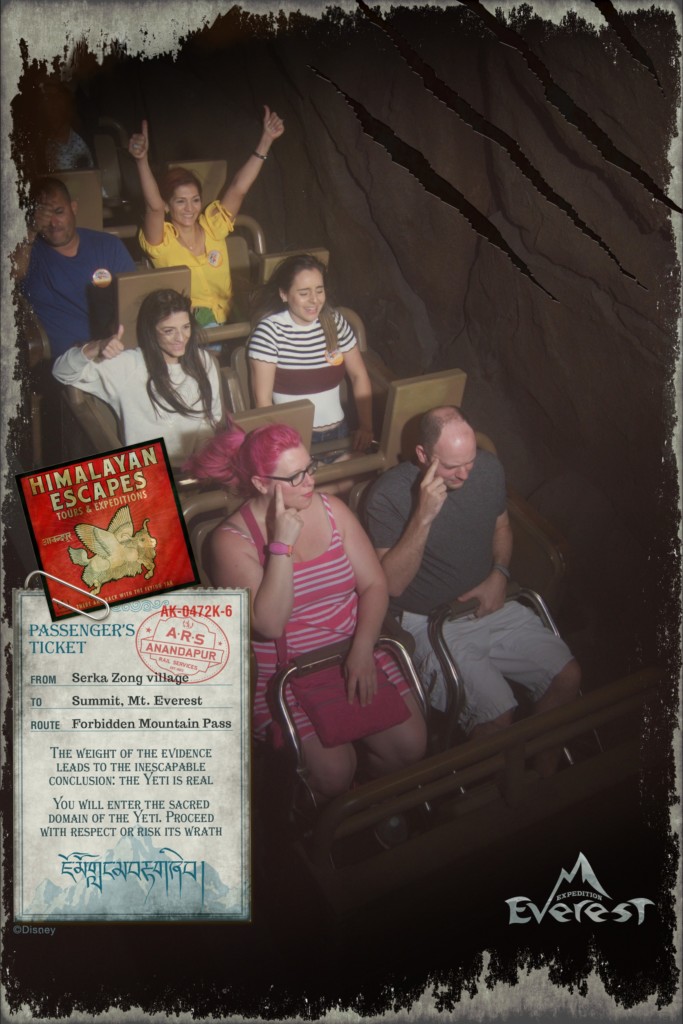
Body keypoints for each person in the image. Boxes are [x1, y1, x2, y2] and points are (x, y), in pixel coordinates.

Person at [185, 422, 426, 803]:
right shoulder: (231, 541)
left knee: (409, 746)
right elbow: (269, 622)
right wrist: (280, 546)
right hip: (286, 670)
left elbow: (374, 585)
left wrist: (362, 649)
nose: (309, 482)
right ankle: (321, 823)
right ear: (262, 483)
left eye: (310, 468)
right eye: (295, 476)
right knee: (333, 772)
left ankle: (366, 803)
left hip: (353, 647)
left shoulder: (333, 511)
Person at [364, 405, 581, 776]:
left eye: (469, 461)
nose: (464, 473)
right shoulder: (387, 496)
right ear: (422, 455)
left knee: (567, 676)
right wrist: (424, 515)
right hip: (430, 621)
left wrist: (499, 573)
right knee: (497, 711)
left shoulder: (488, 468)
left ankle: (544, 778)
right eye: (451, 466)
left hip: (490, 604)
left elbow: (502, 528)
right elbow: (393, 584)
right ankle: (486, 796)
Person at [127, 108, 285, 328]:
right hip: (192, 326)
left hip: (231, 317)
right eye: (180, 201)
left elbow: (238, 188)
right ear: (167, 205)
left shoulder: (212, 226)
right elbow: (153, 207)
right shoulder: (162, 241)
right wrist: (141, 161)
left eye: (195, 200)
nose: (189, 208)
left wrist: (266, 140)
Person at [52, 289, 222, 465]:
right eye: (169, 331)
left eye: (186, 327)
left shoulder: (203, 361)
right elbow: (61, 372)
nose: (181, 337)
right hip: (147, 474)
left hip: (194, 469)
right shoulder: (128, 365)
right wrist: (96, 347)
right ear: (151, 332)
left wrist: (204, 465)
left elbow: (210, 419)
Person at [247, 253, 374, 453]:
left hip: (341, 434)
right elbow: (263, 401)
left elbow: (359, 376)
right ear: (284, 294)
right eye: (304, 293)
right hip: (294, 440)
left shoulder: (334, 322)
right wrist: (280, 446)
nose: (314, 300)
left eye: (319, 290)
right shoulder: (269, 331)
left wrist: (366, 426)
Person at [16, 176, 135, 359]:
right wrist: (31, 231)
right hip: (70, 362)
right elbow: (11, 277)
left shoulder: (108, 245)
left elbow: (133, 301)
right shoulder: (28, 252)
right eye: (43, 216)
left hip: (114, 352)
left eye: (58, 211)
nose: (53, 223)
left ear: (73, 208)